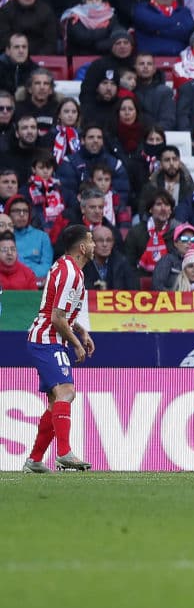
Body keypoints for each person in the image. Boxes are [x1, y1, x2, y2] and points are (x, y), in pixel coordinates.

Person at [22, 224, 95, 473]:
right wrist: (76, 344)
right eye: (92, 241)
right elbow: (56, 317)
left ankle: (34, 460)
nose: (95, 245)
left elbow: (61, 312)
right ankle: (64, 453)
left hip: (48, 338)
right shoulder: (71, 274)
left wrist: (81, 331)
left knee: (55, 403)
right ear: (83, 247)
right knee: (67, 392)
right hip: (47, 339)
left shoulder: (68, 268)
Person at [6, 194, 50, 279]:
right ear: (8, 213)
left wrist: (26, 275)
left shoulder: (42, 237)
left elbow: (46, 265)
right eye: (17, 211)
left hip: (34, 281)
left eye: (25, 211)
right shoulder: (3, 236)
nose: (22, 214)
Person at [83, 224, 137, 290]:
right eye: (100, 240)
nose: (105, 244)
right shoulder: (83, 263)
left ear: (113, 243)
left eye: (108, 240)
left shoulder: (122, 263)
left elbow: (132, 290)